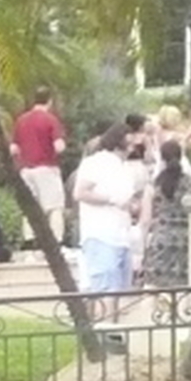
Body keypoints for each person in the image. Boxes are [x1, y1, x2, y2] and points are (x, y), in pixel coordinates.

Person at [70, 123, 140, 318]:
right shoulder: (96, 163)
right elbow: (81, 192)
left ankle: (113, 331)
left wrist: (132, 206)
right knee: (104, 288)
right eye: (130, 139)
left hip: (121, 234)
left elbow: (126, 198)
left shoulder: (125, 168)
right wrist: (111, 200)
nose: (134, 144)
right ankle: (105, 333)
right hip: (101, 234)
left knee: (116, 290)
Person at [9, 86, 66, 248]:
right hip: (46, 167)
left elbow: (13, 148)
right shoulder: (50, 119)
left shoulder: (21, 120)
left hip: (26, 169)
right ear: (50, 101)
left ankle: (29, 240)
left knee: (31, 207)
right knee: (54, 206)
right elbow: (59, 146)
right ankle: (57, 240)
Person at [136, 138, 191, 295]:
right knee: (182, 292)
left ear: (161, 158)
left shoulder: (154, 185)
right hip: (184, 240)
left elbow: (146, 220)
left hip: (161, 238)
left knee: (154, 290)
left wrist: (142, 246)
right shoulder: (190, 184)